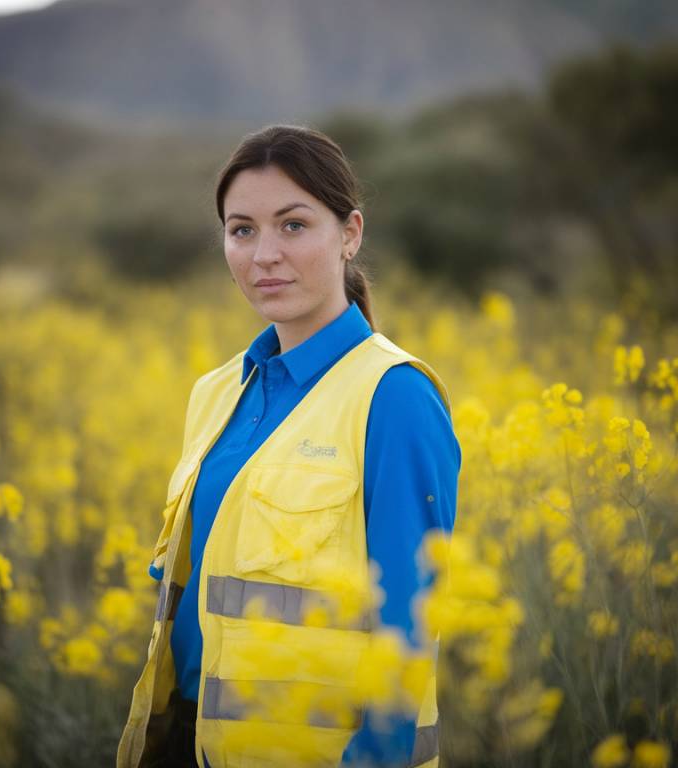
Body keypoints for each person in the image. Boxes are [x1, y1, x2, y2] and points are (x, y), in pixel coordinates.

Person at [117, 124, 461, 768]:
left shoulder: (394, 398)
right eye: (241, 229)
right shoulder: (216, 392)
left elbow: (408, 635)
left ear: (350, 234)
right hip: (186, 744)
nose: (264, 254)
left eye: (294, 225)